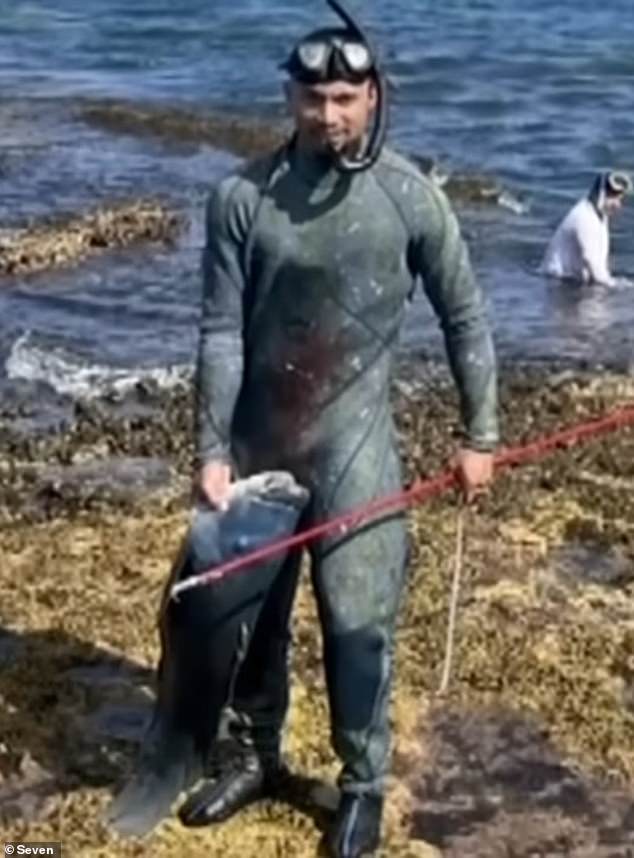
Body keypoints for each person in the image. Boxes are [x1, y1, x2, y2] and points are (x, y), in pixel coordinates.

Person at [187, 1, 499, 855]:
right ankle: (255, 756)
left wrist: (482, 437)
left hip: (359, 449)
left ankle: (361, 785)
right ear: (290, 97)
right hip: (260, 443)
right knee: (252, 619)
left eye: (346, 98)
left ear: (374, 97)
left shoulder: (412, 198)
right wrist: (210, 449)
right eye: (312, 98)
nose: (328, 115)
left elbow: (465, 319)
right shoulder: (239, 199)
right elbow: (218, 332)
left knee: (359, 624)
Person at [540, 171, 632, 287]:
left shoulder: (599, 215)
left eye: (620, 199)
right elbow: (595, 269)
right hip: (557, 284)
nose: (618, 204)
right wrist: (624, 287)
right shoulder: (584, 219)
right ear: (601, 194)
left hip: (572, 281)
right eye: (613, 197)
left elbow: (600, 267)